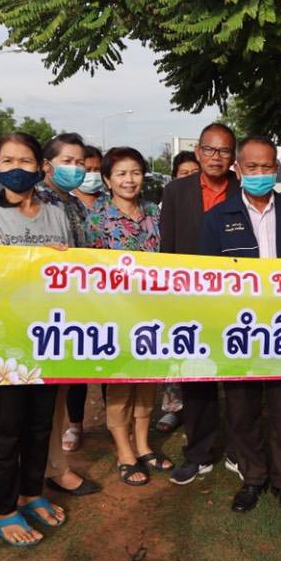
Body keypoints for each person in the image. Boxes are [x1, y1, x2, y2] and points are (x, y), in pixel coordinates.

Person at [0, 132, 76, 547]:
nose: (15, 168)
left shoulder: (55, 213)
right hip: (2, 337)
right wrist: (38, 258)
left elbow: (69, 269)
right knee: (7, 428)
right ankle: (5, 509)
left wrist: (58, 260)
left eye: (25, 161)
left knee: (41, 424)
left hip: (47, 332)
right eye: (7, 160)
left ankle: (33, 493)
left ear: (41, 168)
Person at [200, 136, 281, 514]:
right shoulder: (218, 217)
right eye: (252, 167)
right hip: (239, 330)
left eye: (267, 167)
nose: (260, 174)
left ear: (277, 170)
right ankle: (253, 477)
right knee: (241, 407)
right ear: (238, 169)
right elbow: (204, 278)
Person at [85, 146, 172, 486]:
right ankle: (124, 451)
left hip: (153, 313)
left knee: (148, 382)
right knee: (121, 384)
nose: (129, 179)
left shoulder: (153, 211)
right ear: (107, 179)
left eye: (135, 172)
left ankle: (144, 444)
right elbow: (89, 269)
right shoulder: (97, 218)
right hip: (115, 315)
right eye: (121, 173)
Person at [161, 122, 240, 484]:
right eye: (209, 149)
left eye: (224, 151)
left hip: (239, 302)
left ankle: (241, 452)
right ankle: (199, 454)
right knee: (197, 380)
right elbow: (168, 249)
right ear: (198, 152)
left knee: (241, 381)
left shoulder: (246, 190)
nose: (215, 157)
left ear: (233, 156)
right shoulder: (176, 192)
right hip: (189, 301)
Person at [35, 133, 96, 462]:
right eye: (66, 162)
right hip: (46, 308)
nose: (75, 168)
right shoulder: (35, 200)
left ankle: (55, 462)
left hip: (74, 304)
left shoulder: (74, 203)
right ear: (47, 165)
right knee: (47, 392)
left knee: (63, 386)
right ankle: (49, 462)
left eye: (79, 163)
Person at [155, 150, 202, 435]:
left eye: (194, 173)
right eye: (184, 174)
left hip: (208, 288)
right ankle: (174, 408)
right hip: (179, 287)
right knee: (178, 350)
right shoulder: (168, 204)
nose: (190, 179)